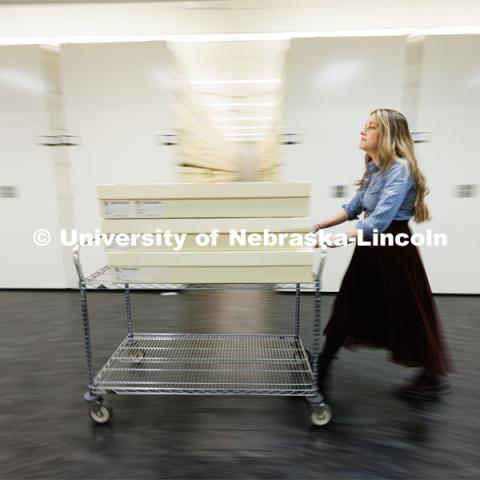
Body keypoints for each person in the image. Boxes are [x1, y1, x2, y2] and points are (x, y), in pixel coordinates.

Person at [313, 108, 452, 400]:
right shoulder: (374, 169)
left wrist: (333, 241)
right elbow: (353, 208)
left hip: (394, 250)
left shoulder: (399, 169)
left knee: (408, 312)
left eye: (372, 126)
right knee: (347, 307)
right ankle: (321, 372)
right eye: (365, 125)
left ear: (387, 135)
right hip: (370, 248)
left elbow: (379, 221)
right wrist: (316, 226)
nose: (363, 130)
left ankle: (432, 376)